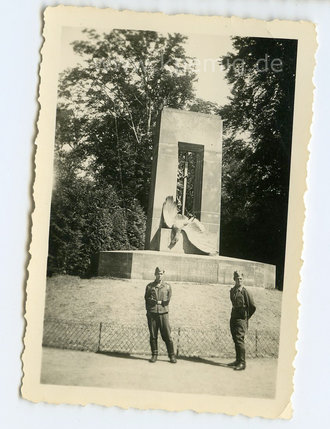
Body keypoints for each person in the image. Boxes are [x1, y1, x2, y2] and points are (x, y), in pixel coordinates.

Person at [144, 266, 177, 363]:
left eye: (161, 273)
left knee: (167, 335)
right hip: (153, 313)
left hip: (163, 313)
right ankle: (154, 355)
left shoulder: (167, 286)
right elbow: (146, 298)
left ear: (163, 274)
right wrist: (149, 311)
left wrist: (161, 303)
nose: (159, 275)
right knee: (153, 335)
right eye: (158, 273)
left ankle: (171, 355)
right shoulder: (150, 286)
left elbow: (168, 299)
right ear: (155, 274)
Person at [228, 270, 256, 371]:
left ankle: (242, 363)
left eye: (241, 279)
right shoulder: (232, 291)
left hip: (241, 319)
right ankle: (237, 360)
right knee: (235, 339)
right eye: (237, 278)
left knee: (240, 340)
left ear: (243, 279)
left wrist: (246, 317)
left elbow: (252, 306)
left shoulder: (245, 292)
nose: (239, 280)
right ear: (234, 279)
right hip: (233, 318)